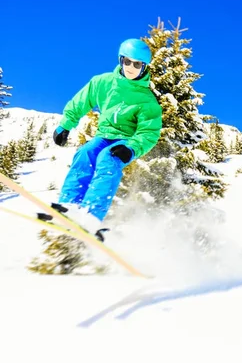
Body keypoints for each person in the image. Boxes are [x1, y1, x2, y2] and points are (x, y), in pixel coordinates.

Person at [51, 38, 162, 236]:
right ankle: (69, 205)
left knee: (107, 159)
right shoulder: (102, 83)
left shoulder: (147, 100)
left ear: (144, 67)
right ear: (120, 60)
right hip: (104, 135)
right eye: (126, 61)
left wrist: (132, 148)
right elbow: (81, 101)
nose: (130, 67)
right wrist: (65, 125)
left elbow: (148, 132)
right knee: (85, 153)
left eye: (137, 64)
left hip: (125, 140)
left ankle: (91, 214)